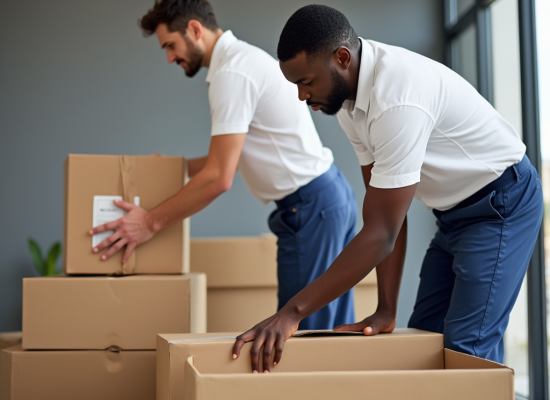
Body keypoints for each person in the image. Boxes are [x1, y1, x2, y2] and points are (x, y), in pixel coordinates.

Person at [231, 4, 543, 373]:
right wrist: (386, 310)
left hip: (500, 205)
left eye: (306, 82)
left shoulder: (396, 98)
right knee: (425, 341)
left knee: (465, 350)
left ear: (342, 58)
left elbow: (381, 235)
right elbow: (381, 216)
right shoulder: (347, 102)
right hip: (453, 215)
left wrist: (290, 314)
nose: (301, 96)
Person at [88, 0, 357, 330]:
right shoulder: (240, 61)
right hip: (327, 199)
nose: (170, 57)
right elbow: (235, 156)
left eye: (170, 46)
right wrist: (177, 167)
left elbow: (219, 177)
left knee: (304, 336)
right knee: (328, 335)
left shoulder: (231, 72)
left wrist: (149, 223)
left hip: (312, 209)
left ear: (194, 30)